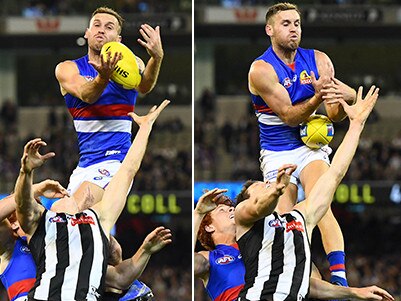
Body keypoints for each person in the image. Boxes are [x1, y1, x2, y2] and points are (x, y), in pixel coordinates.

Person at [234, 86, 383, 301]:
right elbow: (258, 207)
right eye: (259, 185)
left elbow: (334, 175)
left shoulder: (298, 217)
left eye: (264, 183)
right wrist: (275, 191)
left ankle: (339, 274)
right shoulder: (246, 221)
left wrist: (356, 125)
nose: (264, 183)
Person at [14, 100, 169, 301]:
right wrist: (26, 172)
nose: (69, 195)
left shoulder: (99, 219)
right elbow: (23, 204)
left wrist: (145, 128)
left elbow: (128, 170)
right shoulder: (43, 223)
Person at [248, 2, 357, 286]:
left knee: (321, 203)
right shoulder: (261, 69)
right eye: (286, 23)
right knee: (286, 220)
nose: (293, 28)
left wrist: (347, 98)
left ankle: (340, 279)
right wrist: (317, 97)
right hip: (276, 152)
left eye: (296, 23)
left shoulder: (319, 60)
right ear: (269, 29)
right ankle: (305, 278)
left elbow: (334, 114)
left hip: (311, 149)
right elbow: (289, 116)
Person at [194, 170, 393, 301]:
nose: (230, 211)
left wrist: (353, 292)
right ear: (209, 227)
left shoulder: (261, 244)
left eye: (230, 208)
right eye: (221, 211)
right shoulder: (208, 259)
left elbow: (302, 283)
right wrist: (198, 214)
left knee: (309, 268)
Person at [55, 6, 164, 204]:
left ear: (118, 39)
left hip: (116, 161)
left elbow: (145, 86)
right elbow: (87, 95)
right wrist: (103, 77)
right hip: (85, 165)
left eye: (109, 27)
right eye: (96, 25)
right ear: (87, 33)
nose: (101, 30)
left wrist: (156, 58)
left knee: (72, 209)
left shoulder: (133, 64)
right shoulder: (68, 68)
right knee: (64, 223)